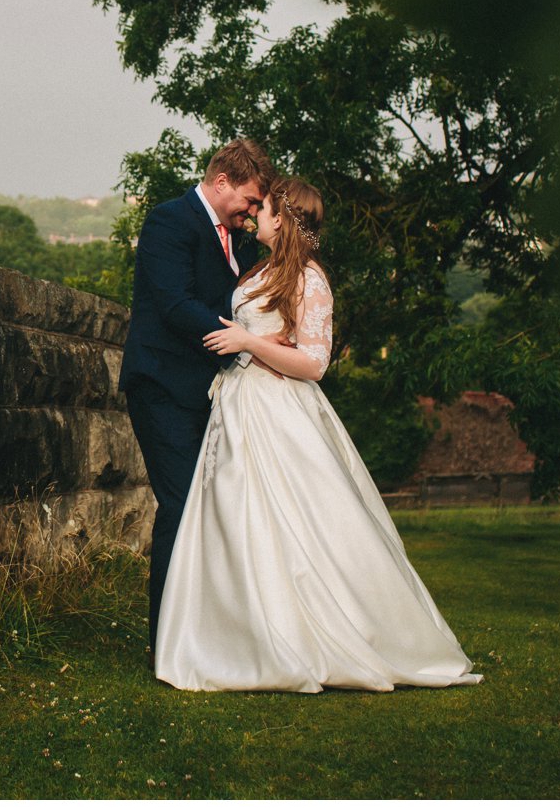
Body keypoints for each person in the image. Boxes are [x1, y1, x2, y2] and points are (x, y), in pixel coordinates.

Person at [155, 177, 484, 693]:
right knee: (235, 518)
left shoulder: (311, 280)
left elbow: (314, 364)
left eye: (262, 209)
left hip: (277, 410)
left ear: (282, 219)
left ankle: (315, 633)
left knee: (294, 519)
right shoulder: (258, 270)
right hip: (238, 406)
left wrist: (248, 341)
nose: (254, 216)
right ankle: (240, 635)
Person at [119, 137, 275, 655]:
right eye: (250, 201)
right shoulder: (170, 221)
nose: (251, 213)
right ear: (222, 181)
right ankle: (167, 640)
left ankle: (205, 633)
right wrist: (242, 346)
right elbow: (174, 303)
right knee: (181, 505)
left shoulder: (240, 241)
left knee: (212, 508)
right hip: (162, 385)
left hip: (209, 393)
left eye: (257, 207)